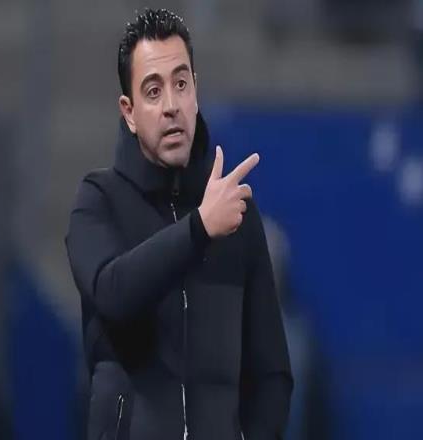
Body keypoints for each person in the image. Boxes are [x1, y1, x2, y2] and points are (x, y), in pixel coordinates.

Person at [66, 8, 293, 440]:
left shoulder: (236, 213)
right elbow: (112, 294)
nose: (171, 105)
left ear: (196, 91)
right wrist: (198, 229)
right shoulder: (98, 200)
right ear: (129, 112)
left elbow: (272, 373)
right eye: (153, 91)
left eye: (181, 84)